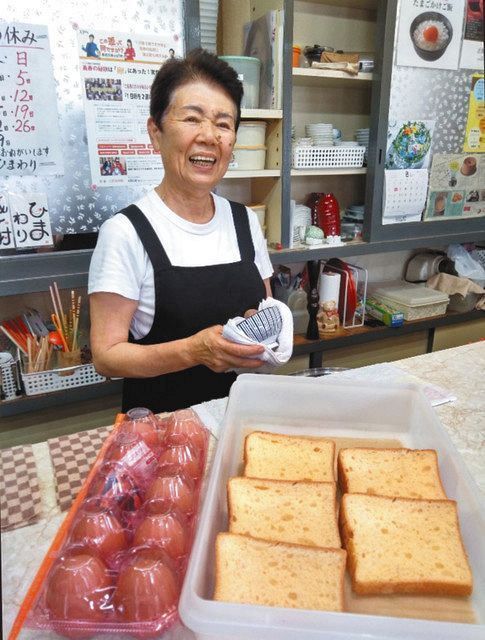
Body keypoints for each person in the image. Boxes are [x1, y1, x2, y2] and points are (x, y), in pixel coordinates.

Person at [88, 49, 274, 414]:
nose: (209, 136)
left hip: (242, 414)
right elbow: (107, 356)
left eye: (223, 123)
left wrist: (264, 331)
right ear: (155, 133)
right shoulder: (125, 232)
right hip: (163, 435)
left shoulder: (244, 221)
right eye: (192, 119)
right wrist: (194, 351)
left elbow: (265, 311)